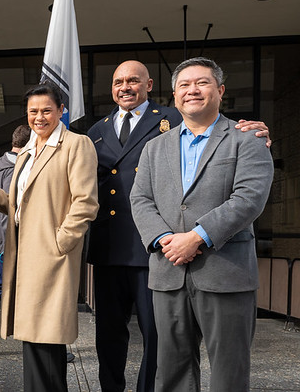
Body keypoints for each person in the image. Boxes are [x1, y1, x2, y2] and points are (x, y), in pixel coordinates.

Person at [87, 59, 271, 392]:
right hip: (166, 267)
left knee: (229, 372)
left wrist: (198, 237)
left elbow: (249, 199)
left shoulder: (247, 138)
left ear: (220, 90)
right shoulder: (154, 147)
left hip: (224, 269)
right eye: (184, 85)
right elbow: (140, 199)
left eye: (202, 83)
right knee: (171, 371)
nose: (192, 91)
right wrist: (164, 238)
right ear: (175, 94)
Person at [0, 83, 98, 392]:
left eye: (46, 111)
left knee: (48, 341)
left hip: (51, 256)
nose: (39, 117)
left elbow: (86, 202)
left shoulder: (76, 144)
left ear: (61, 111)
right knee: (33, 341)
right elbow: (18, 204)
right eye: (32, 112)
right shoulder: (28, 150)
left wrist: (61, 243)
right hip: (23, 255)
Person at [0, 124, 30, 312]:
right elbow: (9, 208)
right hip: (8, 241)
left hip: (0, 239)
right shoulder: (15, 169)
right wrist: (7, 244)